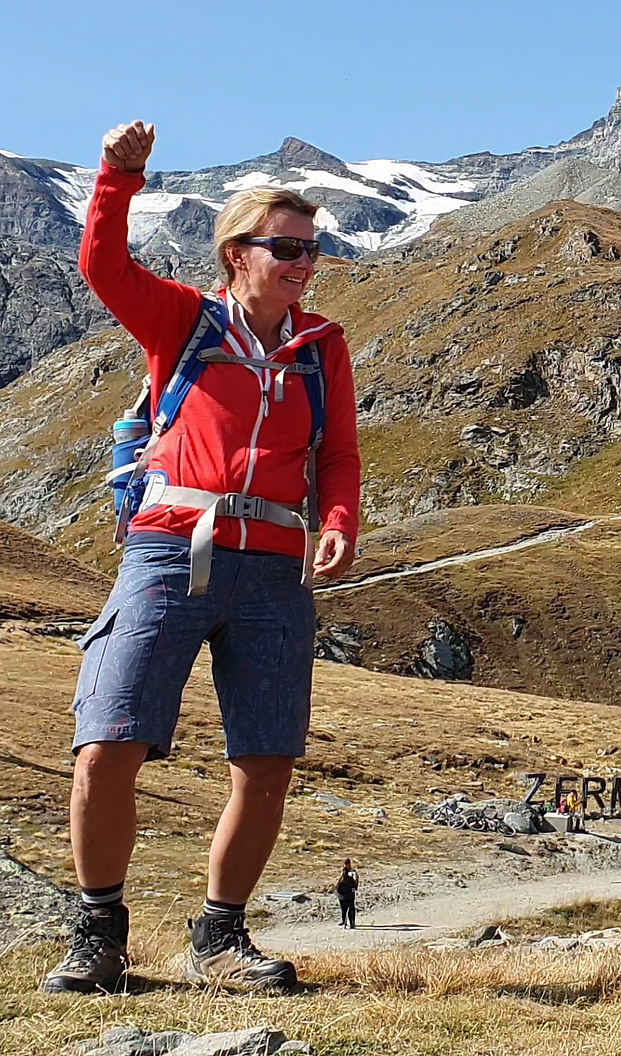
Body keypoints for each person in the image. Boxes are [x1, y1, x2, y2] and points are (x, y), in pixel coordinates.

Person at [42, 120, 361, 996]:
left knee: (266, 765)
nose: (303, 261)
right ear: (237, 252)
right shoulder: (182, 321)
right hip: (167, 553)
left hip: (274, 573)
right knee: (107, 743)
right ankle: (98, 931)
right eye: (287, 246)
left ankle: (219, 938)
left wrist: (338, 518)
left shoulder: (320, 347)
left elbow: (337, 454)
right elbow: (103, 269)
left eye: (312, 247)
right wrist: (119, 176)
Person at [336, 859, 359, 930]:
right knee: (344, 909)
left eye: (347, 864)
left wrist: (354, 888)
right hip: (344, 894)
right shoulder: (343, 873)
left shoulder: (352, 872)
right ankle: (344, 921)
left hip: (349, 893)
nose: (346, 865)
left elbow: (355, 881)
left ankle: (352, 922)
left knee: (350, 908)